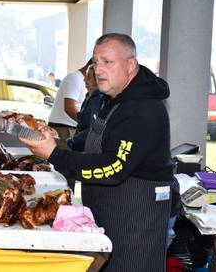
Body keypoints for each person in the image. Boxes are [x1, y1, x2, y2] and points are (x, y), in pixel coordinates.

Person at [20, 33, 175, 272]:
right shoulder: (111, 98)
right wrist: (54, 137)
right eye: (95, 62)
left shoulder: (143, 109)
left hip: (135, 219)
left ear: (131, 64)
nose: (98, 69)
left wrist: (54, 155)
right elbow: (94, 143)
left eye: (108, 62)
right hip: (109, 211)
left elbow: (112, 169)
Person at [47, 63, 88, 150]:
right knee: (67, 161)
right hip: (65, 129)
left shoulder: (81, 79)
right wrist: (85, 124)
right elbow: (69, 107)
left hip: (69, 128)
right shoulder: (75, 78)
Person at [67, 59, 103, 152]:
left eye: (88, 77)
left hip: (87, 149)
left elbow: (92, 129)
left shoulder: (98, 99)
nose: (84, 79)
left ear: (97, 80)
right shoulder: (89, 96)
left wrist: (73, 141)